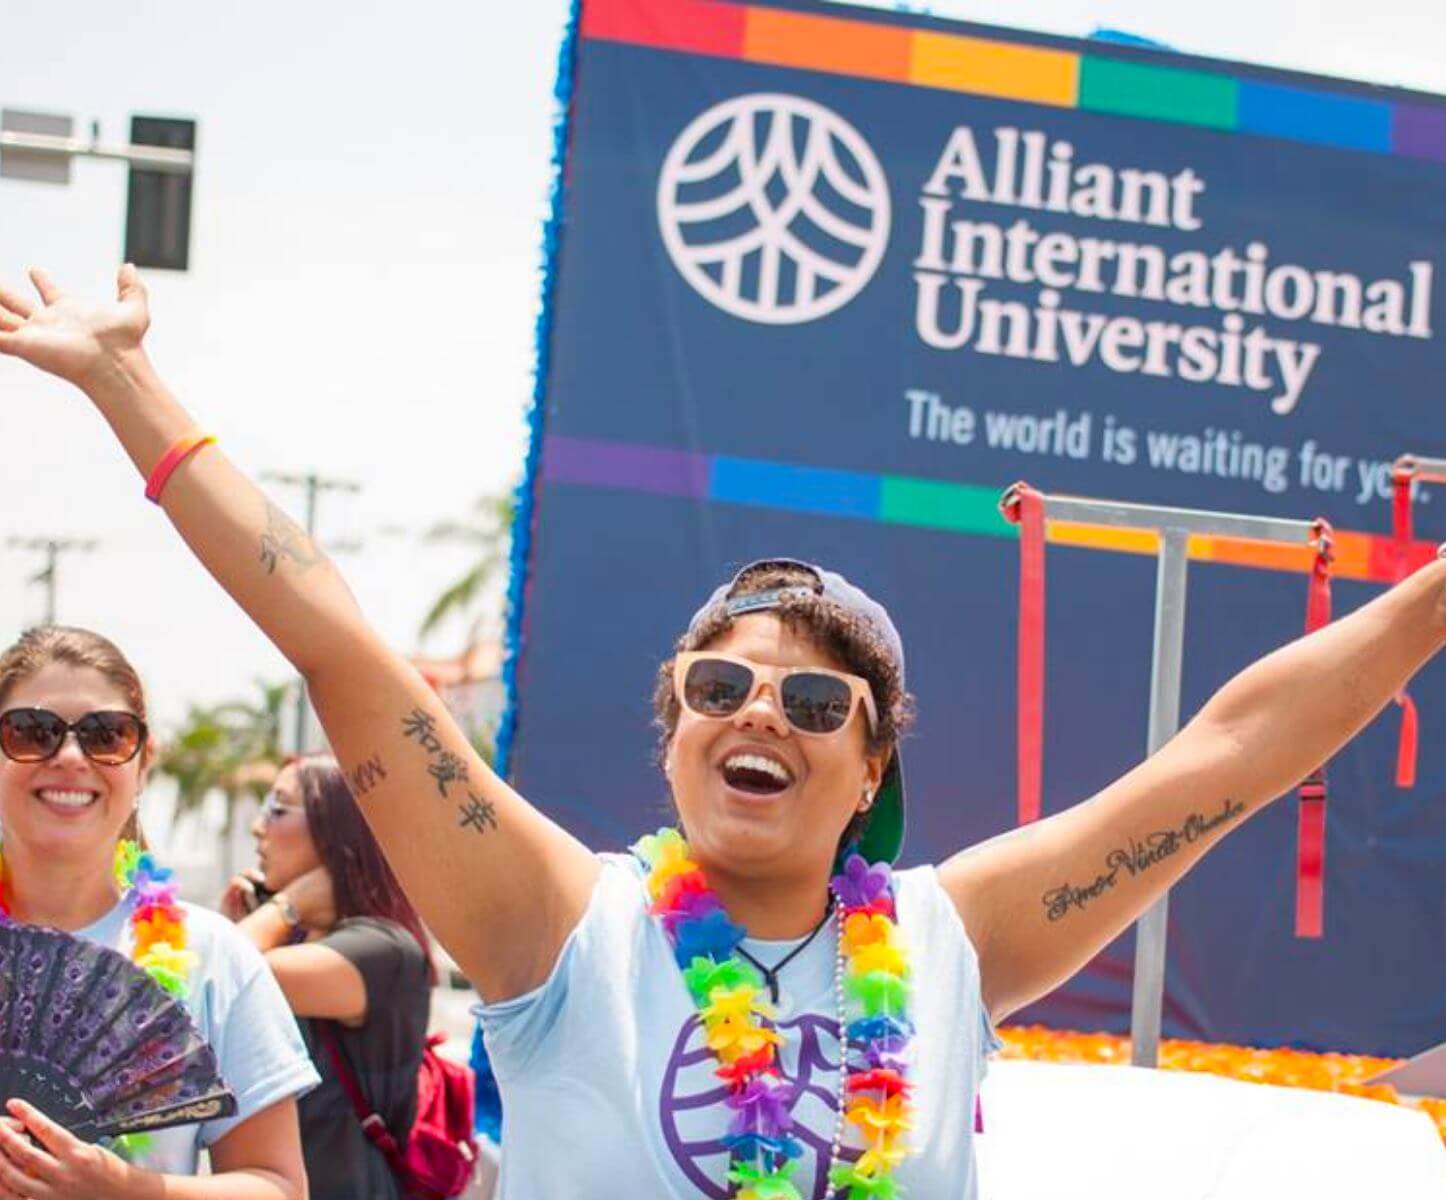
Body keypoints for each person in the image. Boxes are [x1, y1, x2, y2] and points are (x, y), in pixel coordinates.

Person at [1, 266, 1442, 1198]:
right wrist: (127, 382)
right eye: (718, 686)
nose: (762, 712)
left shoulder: (956, 941)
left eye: (817, 702)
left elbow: (1229, 757)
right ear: (672, 732)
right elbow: (336, 641)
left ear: (869, 763)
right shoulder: (556, 926)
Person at [0, 624, 317, 1199]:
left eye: (106, 734)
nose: (70, 757)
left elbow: (279, 1187)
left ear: (143, 764)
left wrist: (124, 1189)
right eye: (31, 731)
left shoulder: (213, 958)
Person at [219, 755, 434, 1200]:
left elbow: (224, 975)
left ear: (336, 830)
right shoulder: (301, 943)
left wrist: (286, 905)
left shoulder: (381, 949)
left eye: (277, 810)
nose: (259, 828)